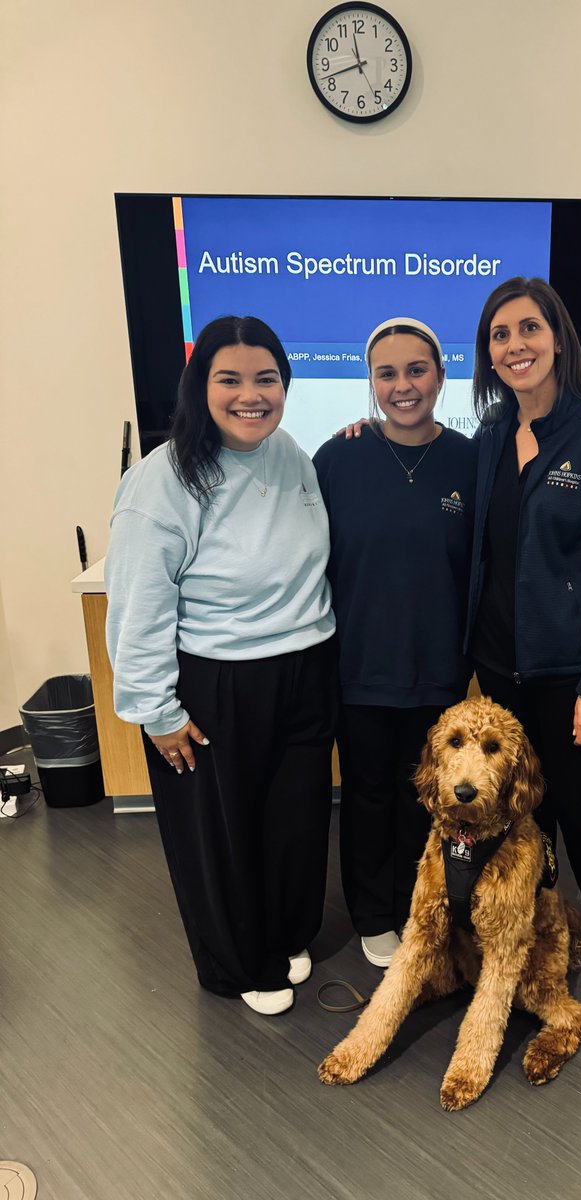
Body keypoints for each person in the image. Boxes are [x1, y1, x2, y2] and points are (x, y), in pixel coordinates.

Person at [105, 315, 337, 1016]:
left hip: (304, 666)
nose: (250, 395)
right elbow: (138, 604)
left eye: (266, 378)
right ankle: (237, 963)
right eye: (228, 379)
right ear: (198, 386)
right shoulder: (163, 480)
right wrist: (157, 710)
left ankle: (286, 933)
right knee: (221, 831)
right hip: (215, 681)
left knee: (293, 821)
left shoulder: (290, 453)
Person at [465, 277, 581, 995]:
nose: (516, 346)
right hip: (498, 664)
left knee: (576, 803)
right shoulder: (488, 436)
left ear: (559, 337)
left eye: (529, 329)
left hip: (569, 671)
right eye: (500, 335)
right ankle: (538, 911)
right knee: (519, 802)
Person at [313, 318, 476, 968]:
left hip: (439, 672)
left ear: (440, 374)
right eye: (387, 373)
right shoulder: (337, 458)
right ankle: (373, 915)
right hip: (358, 668)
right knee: (367, 794)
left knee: (430, 798)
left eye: (417, 370)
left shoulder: (472, 459)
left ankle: (424, 907)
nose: (403, 385)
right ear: (371, 381)